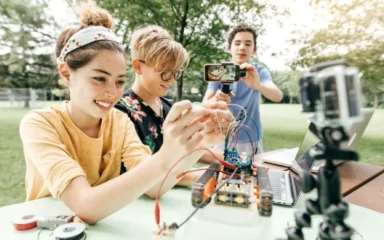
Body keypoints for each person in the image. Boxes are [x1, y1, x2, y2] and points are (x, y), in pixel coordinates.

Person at [19, 1, 232, 224]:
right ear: (66, 73)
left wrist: (198, 143)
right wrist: (166, 155)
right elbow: (86, 206)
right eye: (99, 78)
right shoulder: (39, 124)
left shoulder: (119, 121)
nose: (112, 92)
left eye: (120, 81)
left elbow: (154, 186)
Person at [115, 25, 228, 168]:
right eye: (165, 71)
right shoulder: (120, 112)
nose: (172, 79)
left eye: (176, 72)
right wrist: (217, 175)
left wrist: (237, 163)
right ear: (138, 66)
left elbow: (191, 150)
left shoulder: (169, 106)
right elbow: (147, 173)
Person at [203, 23, 283, 155]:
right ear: (229, 48)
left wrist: (259, 86)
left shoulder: (259, 71)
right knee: (221, 173)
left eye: (248, 44)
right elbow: (205, 103)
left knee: (253, 174)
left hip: (251, 137)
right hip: (222, 136)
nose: (242, 47)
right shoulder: (219, 71)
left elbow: (278, 96)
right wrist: (216, 98)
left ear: (254, 49)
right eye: (237, 43)